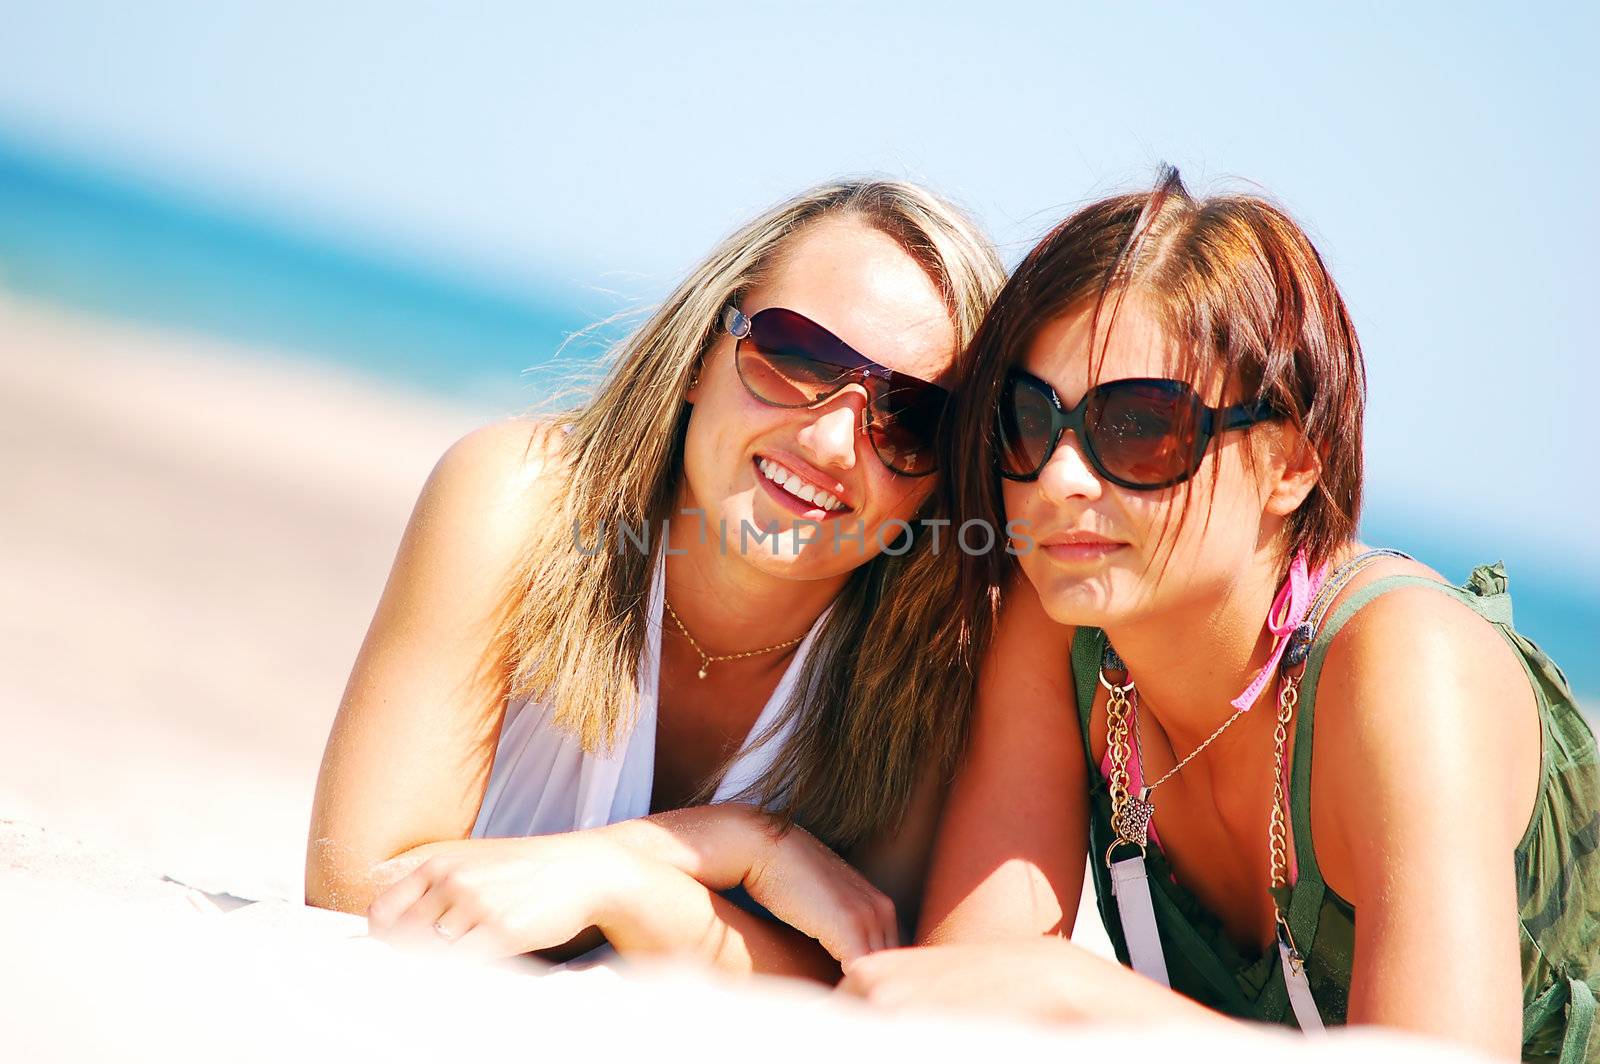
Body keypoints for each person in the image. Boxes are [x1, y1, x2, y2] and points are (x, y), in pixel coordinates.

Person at [838, 168, 1599, 1061]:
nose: (1058, 478)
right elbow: (952, 1007)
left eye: (1140, 427)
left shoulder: (1405, 670)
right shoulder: (1063, 626)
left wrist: (1083, 996)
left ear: (1290, 464)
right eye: (1029, 420)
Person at [303, 180, 1005, 980]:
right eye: (797, 357)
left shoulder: (930, 666)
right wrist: (739, 848)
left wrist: (633, 878)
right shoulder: (520, 504)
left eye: (914, 419)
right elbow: (357, 891)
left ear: (945, 477)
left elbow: (868, 988)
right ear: (703, 352)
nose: (834, 442)